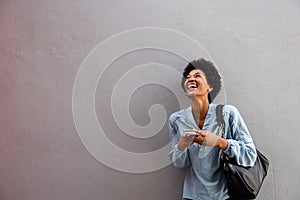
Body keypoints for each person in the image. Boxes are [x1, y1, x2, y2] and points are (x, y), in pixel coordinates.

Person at [168, 58, 257, 200]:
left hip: (226, 196)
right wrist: (181, 145)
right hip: (192, 196)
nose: (191, 79)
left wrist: (219, 142)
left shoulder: (227, 114)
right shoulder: (176, 120)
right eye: (188, 77)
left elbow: (250, 156)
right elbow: (179, 164)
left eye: (197, 76)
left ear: (210, 87)